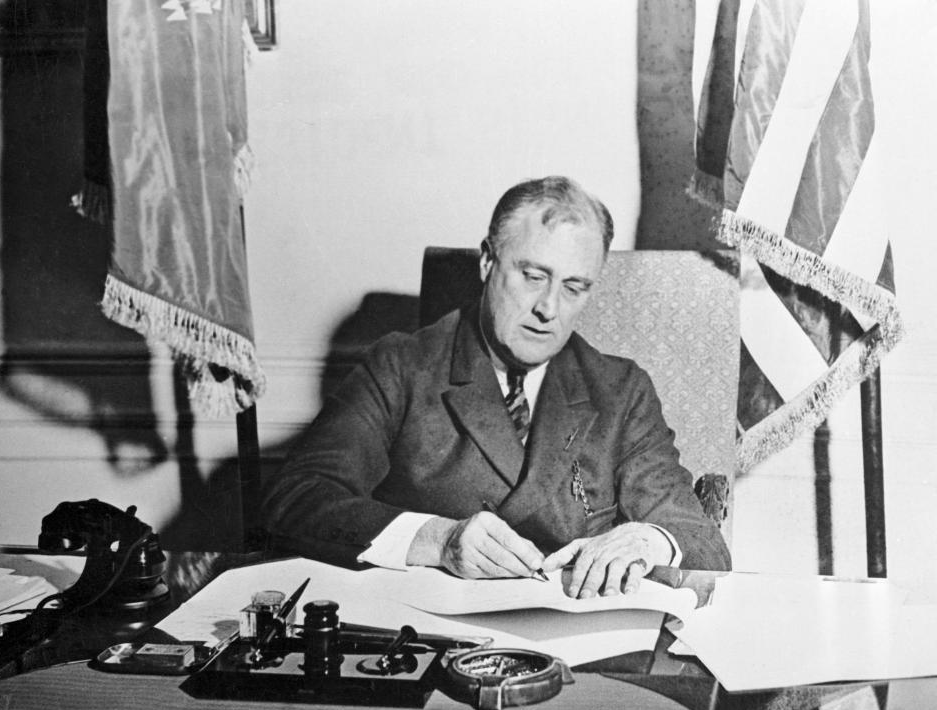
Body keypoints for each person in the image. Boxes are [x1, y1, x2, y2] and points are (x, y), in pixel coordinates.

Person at [263, 176, 731, 598]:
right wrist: (439, 540)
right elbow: (296, 500)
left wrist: (648, 539)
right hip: (429, 638)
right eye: (533, 277)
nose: (549, 308)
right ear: (487, 261)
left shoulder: (620, 390)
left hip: (577, 658)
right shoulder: (403, 366)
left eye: (574, 287)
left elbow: (702, 542)